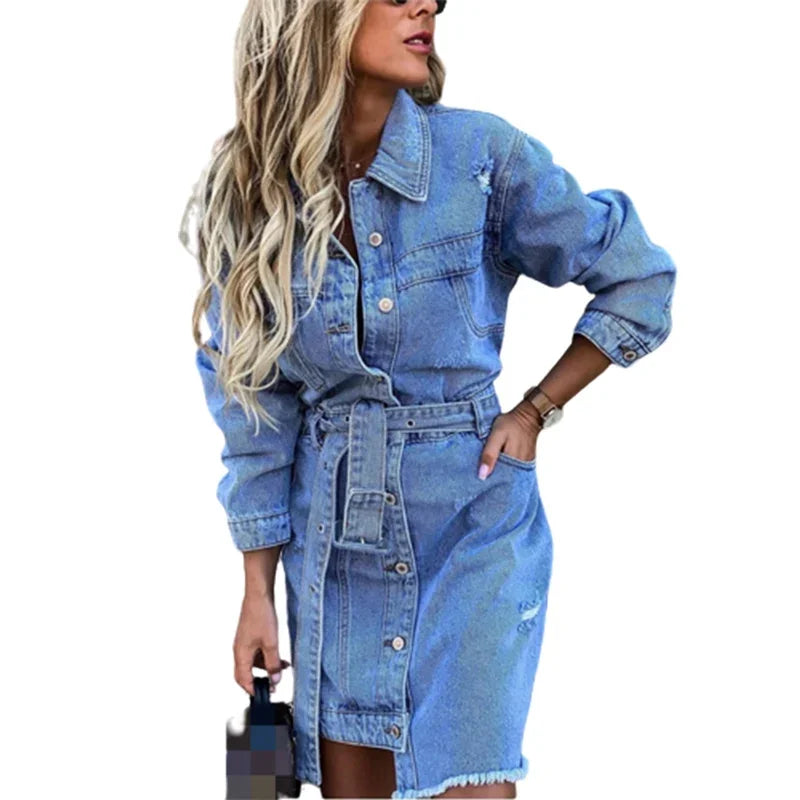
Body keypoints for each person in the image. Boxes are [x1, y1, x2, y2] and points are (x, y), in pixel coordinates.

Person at [179, 1, 677, 797]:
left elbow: (637, 276)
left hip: (473, 526)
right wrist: (255, 595)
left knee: (473, 781)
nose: (429, 5)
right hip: (335, 544)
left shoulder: (481, 157)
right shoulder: (251, 190)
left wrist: (534, 410)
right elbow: (255, 417)